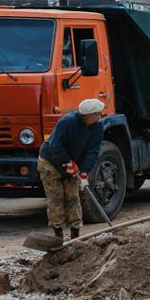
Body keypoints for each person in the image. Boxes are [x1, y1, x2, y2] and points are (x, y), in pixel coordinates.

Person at [30, 98, 104, 249]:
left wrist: (84, 172)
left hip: (73, 163)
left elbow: (93, 151)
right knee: (56, 198)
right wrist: (67, 163)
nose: (100, 115)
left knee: (73, 196)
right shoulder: (67, 122)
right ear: (88, 115)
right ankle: (58, 235)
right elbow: (55, 146)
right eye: (98, 113)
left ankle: (75, 235)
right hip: (51, 162)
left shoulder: (97, 126)